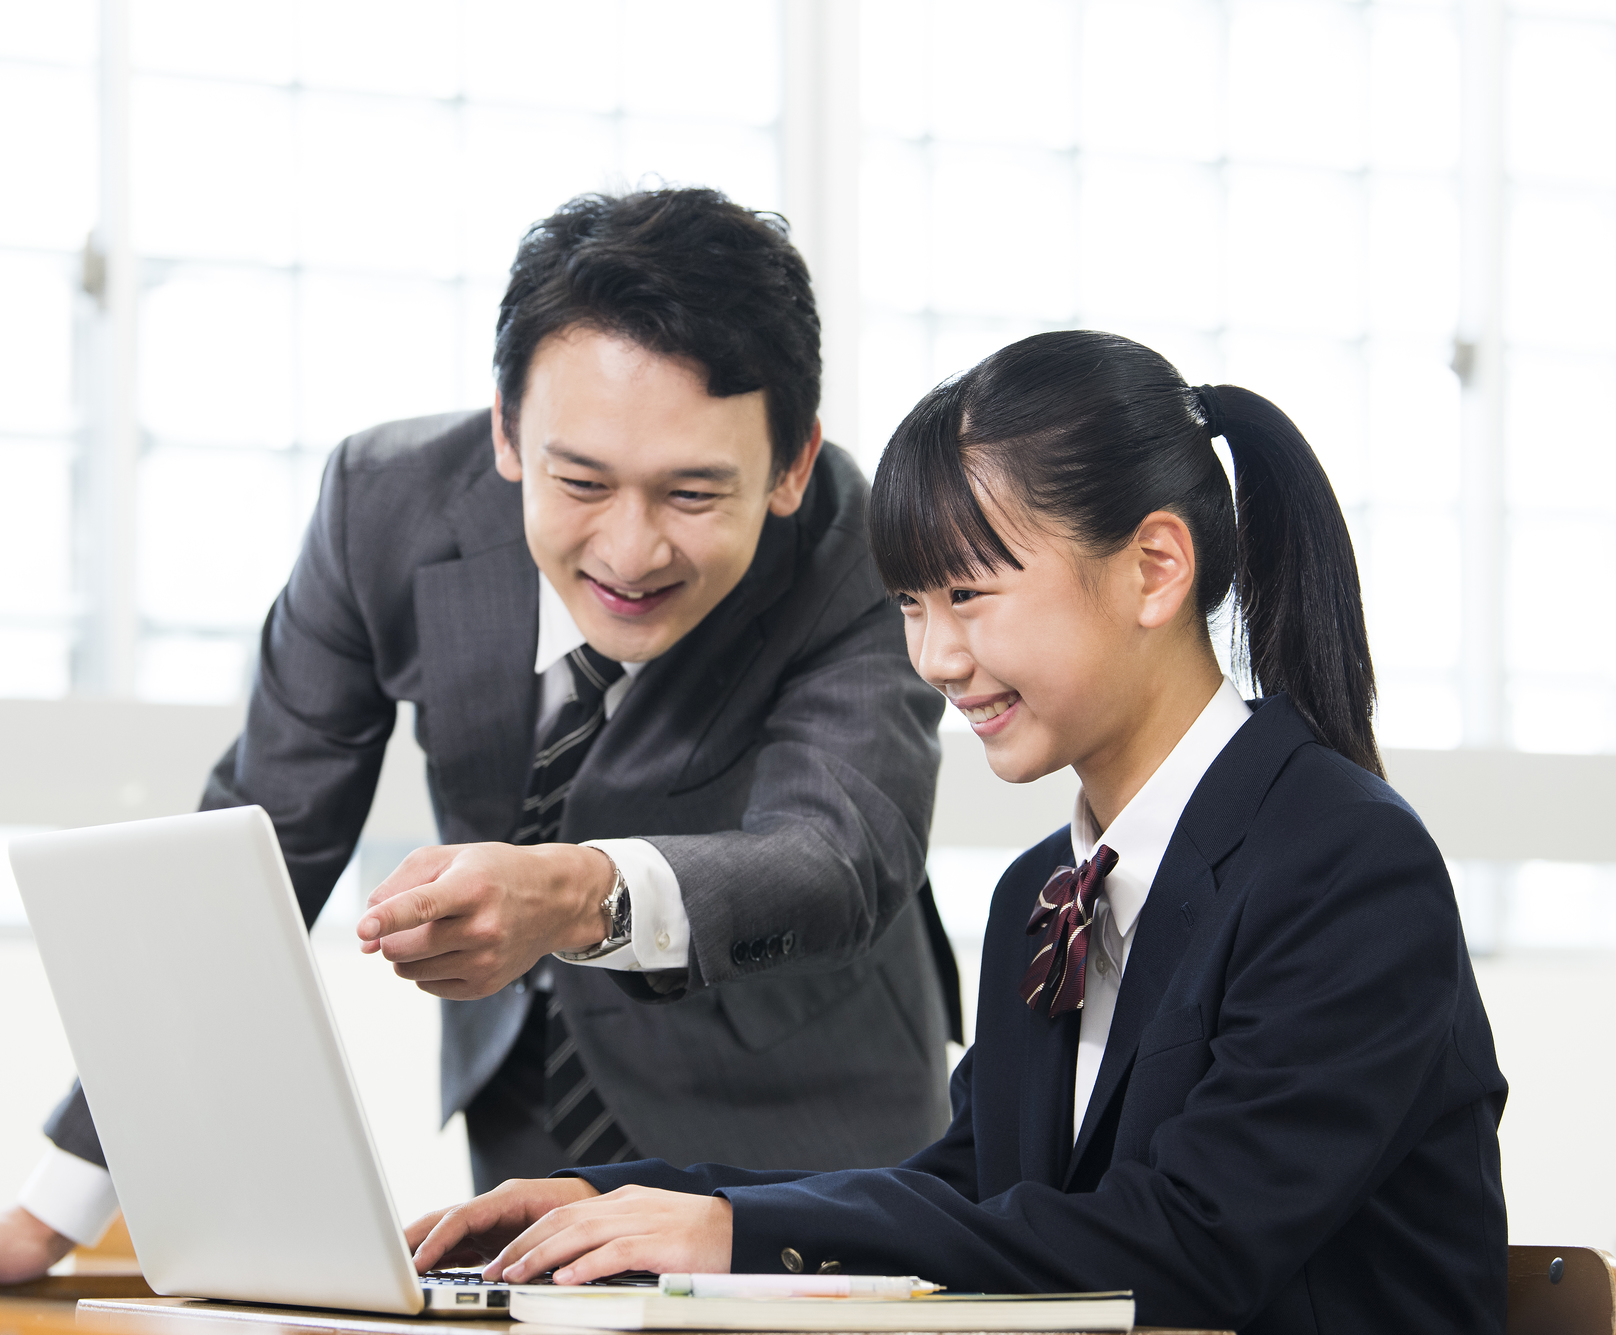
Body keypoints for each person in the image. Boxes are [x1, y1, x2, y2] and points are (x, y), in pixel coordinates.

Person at [0, 188, 961, 1328]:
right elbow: (257, 849)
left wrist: (576, 892)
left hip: (808, 1137)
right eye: (580, 482)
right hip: (536, 1124)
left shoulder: (854, 550)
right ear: (505, 433)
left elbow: (836, 857)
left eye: (693, 493)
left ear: (792, 463)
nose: (631, 548)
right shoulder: (382, 506)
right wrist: (54, 1209)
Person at [405, 330, 1509, 1335]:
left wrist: (731, 1238)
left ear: (1153, 569)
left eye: (968, 596)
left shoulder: (1342, 865)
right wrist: (645, 1206)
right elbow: (969, 1190)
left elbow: (1186, 1245)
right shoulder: (1049, 884)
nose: (931, 659)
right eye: (908, 606)